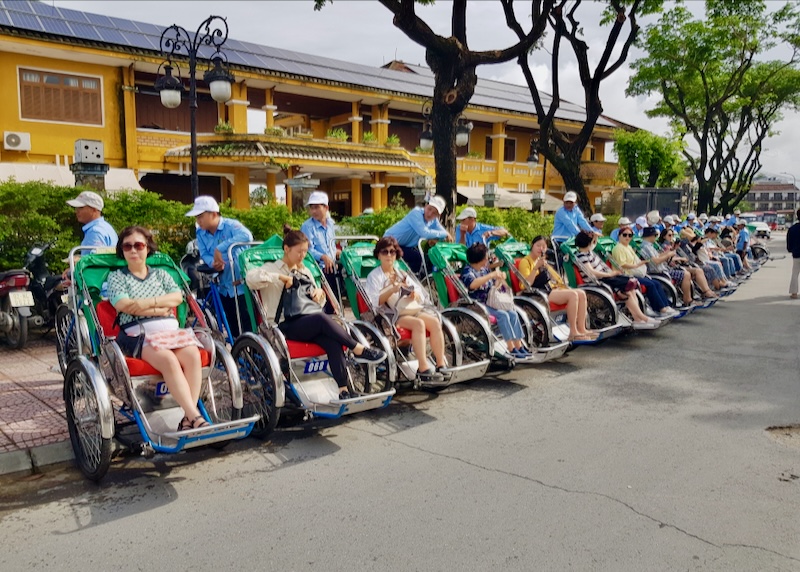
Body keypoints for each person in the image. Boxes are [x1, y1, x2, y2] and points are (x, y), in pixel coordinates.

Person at [245, 229, 386, 399]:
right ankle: (358, 349)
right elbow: (251, 279)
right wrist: (282, 278)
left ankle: (343, 390)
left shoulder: (305, 271)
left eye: (305, 251)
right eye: (299, 251)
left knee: (332, 342)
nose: (302, 256)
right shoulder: (271, 267)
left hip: (308, 322)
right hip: (283, 325)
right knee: (321, 318)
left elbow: (316, 302)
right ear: (287, 249)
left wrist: (319, 294)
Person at [107, 226, 207, 431]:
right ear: (122, 251)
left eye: (138, 245)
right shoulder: (117, 277)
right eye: (127, 246)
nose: (133, 250)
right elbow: (123, 304)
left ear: (147, 248)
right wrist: (160, 307)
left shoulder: (161, 274)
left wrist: (143, 304)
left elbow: (177, 298)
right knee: (169, 360)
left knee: (193, 356)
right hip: (138, 333)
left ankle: (188, 418)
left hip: (171, 333)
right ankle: (194, 417)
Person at [364, 236, 449, 382]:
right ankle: (423, 368)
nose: (389, 255)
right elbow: (374, 303)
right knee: (419, 324)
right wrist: (392, 289)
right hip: (391, 315)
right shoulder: (374, 276)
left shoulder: (401, 273)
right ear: (378, 255)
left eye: (392, 252)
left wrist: (414, 294)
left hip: (410, 309)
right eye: (385, 252)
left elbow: (421, 295)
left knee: (435, 321)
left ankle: (441, 364)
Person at [185, 195, 254, 338]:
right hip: (223, 284)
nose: (198, 221)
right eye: (197, 217)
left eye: (201, 216)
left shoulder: (231, 226)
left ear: (214, 214)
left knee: (247, 325)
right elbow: (204, 253)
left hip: (240, 284)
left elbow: (247, 236)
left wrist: (220, 248)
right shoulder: (200, 233)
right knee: (231, 324)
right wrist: (214, 263)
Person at [519, 235, 598, 341]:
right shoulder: (526, 261)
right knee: (573, 295)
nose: (541, 249)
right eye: (538, 246)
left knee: (581, 293)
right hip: (536, 294)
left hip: (548, 290)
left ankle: (582, 328)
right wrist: (536, 268)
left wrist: (562, 285)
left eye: (544, 246)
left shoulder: (542, 261)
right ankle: (573, 332)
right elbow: (526, 284)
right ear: (532, 246)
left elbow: (556, 278)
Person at [574, 231, 658, 326]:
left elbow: (594, 244)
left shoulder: (589, 252)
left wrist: (595, 236)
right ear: (588, 242)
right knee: (628, 288)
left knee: (631, 290)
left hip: (606, 278)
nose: (594, 242)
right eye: (593, 240)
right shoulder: (582, 256)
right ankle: (642, 317)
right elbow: (591, 272)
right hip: (600, 280)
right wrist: (610, 274)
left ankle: (638, 318)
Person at [461, 243, 530, 358]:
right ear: (480, 258)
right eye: (486, 257)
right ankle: (511, 348)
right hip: (477, 305)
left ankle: (519, 345)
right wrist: (491, 275)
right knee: (503, 315)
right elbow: (472, 285)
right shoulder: (468, 271)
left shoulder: (484, 270)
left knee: (513, 313)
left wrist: (499, 279)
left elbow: (493, 287)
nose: (488, 259)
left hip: (491, 302)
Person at [611, 227, 678, 317]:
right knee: (650, 284)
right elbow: (622, 264)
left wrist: (641, 264)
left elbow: (636, 260)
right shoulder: (618, 248)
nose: (627, 237)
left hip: (635, 272)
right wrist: (637, 266)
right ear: (619, 236)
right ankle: (660, 308)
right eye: (624, 235)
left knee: (656, 283)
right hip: (627, 274)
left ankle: (665, 306)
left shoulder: (628, 247)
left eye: (630, 235)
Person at [383, 195, 452, 273]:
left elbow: (443, 236)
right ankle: (411, 282)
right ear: (426, 205)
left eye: (434, 213)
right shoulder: (416, 213)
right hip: (388, 243)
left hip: (404, 246)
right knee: (417, 258)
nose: (429, 214)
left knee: (425, 258)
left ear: (438, 216)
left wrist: (439, 237)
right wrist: (445, 233)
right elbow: (424, 232)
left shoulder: (434, 221)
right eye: (429, 209)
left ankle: (414, 279)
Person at [62, 190, 118, 281]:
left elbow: (96, 262)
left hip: (98, 290)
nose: (77, 211)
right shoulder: (105, 227)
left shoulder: (95, 232)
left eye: (81, 208)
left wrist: (72, 270)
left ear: (94, 209)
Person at [300, 191, 340, 313]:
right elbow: (306, 249)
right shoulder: (307, 226)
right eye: (311, 208)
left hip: (332, 267)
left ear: (326, 207)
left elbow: (331, 244)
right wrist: (323, 256)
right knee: (323, 303)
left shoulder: (331, 224)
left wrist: (336, 253)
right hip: (317, 269)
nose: (313, 211)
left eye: (317, 207)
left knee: (335, 302)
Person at [639, 226, 697, 307]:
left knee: (686, 272)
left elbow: (657, 256)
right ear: (651, 236)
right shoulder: (646, 247)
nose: (656, 238)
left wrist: (667, 253)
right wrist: (668, 255)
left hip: (661, 270)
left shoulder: (649, 246)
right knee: (686, 274)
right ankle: (687, 299)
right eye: (655, 236)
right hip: (657, 271)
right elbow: (655, 261)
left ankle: (685, 297)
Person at [787, 209, 800, 299]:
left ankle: (794, 292)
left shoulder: (792, 228)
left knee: (795, 273)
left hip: (796, 253)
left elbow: (789, 242)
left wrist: (790, 249)